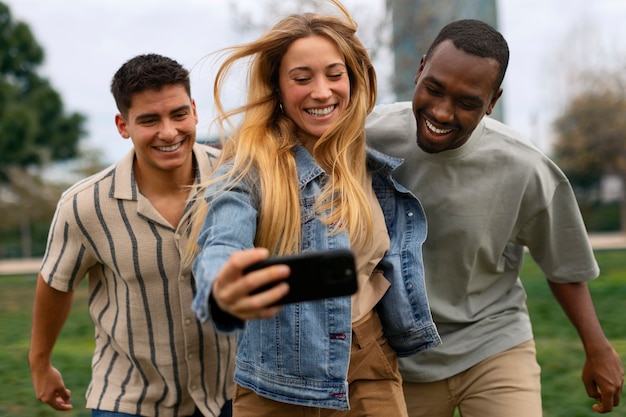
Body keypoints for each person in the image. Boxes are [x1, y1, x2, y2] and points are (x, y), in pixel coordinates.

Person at [187, 1, 440, 415]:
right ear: (278, 89)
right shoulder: (250, 167)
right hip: (277, 382)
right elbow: (223, 236)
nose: (321, 91)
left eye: (334, 74)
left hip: (370, 364)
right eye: (301, 78)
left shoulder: (370, 163)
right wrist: (221, 287)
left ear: (354, 79)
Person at [365, 19, 624, 417]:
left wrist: (597, 346)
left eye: (467, 102)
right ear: (419, 70)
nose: (441, 111)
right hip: (399, 355)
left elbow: (564, 263)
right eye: (433, 88)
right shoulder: (368, 138)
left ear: (492, 101)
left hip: (492, 342)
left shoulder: (525, 168)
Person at [28, 54, 236, 417]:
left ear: (195, 110)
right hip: (128, 401)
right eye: (149, 120)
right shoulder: (83, 205)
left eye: (178, 114)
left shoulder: (236, 181)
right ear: (123, 125)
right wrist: (40, 363)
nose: (169, 132)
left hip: (232, 395)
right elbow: (56, 283)